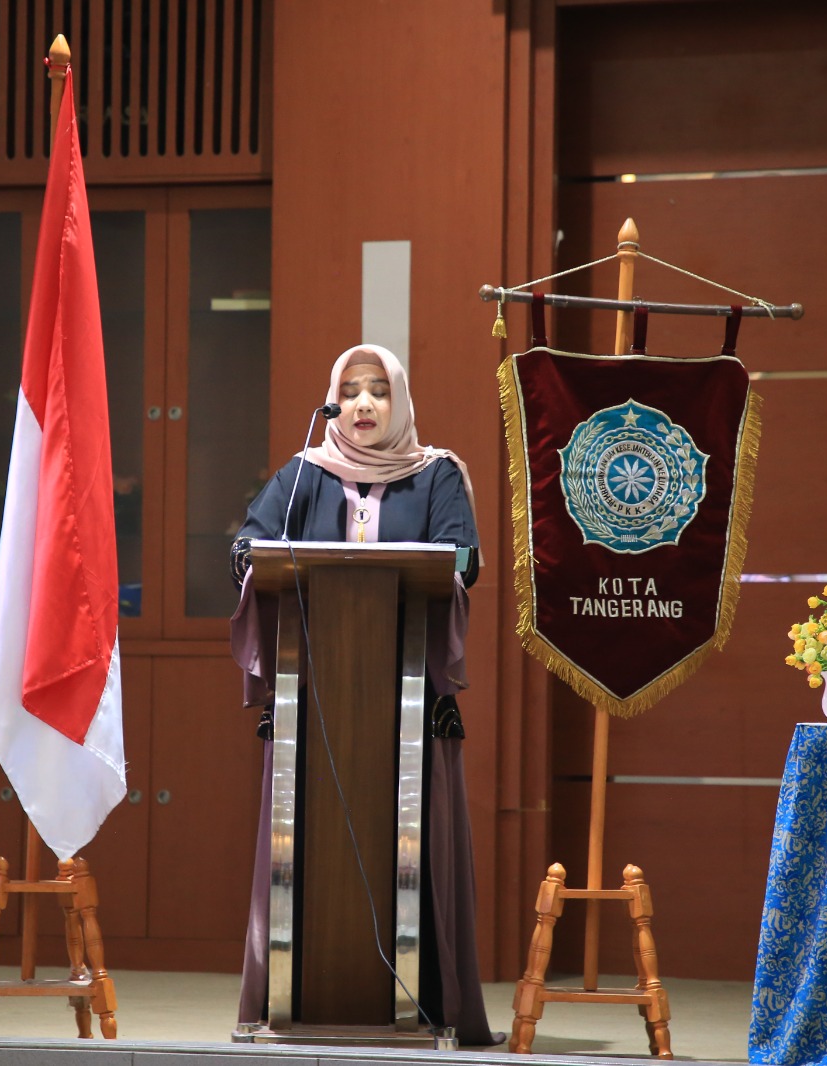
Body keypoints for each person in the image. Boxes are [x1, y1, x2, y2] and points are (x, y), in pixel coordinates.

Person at [228, 344, 496, 1044]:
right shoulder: (303, 474)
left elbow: (462, 560)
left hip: (407, 705)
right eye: (350, 392)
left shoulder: (438, 474)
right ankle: (291, 999)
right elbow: (247, 549)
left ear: (400, 400)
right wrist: (251, 559)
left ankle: (421, 1003)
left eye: (379, 390)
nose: (364, 404)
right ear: (333, 402)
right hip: (310, 705)